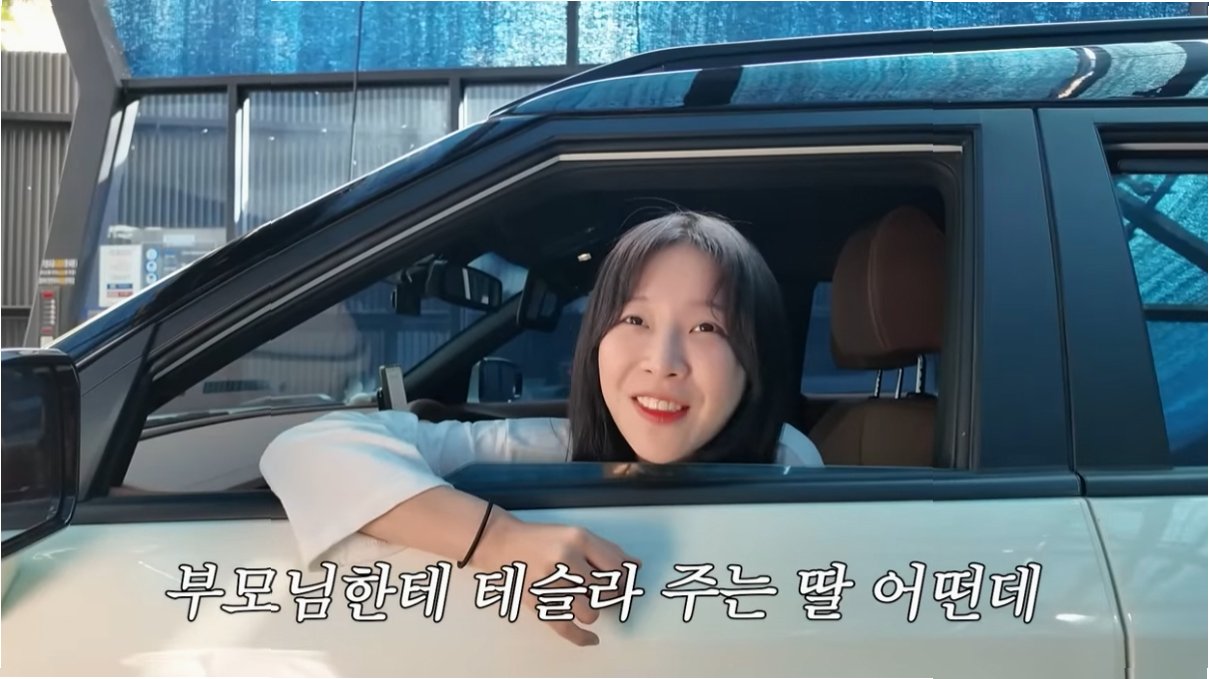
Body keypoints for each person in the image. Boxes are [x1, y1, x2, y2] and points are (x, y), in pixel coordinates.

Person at [259, 210, 823, 645]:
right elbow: (305, 447)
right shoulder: (552, 447)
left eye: (706, 327)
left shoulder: (785, 461)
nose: (662, 361)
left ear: (753, 358)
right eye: (635, 319)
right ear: (597, 339)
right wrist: (499, 541)